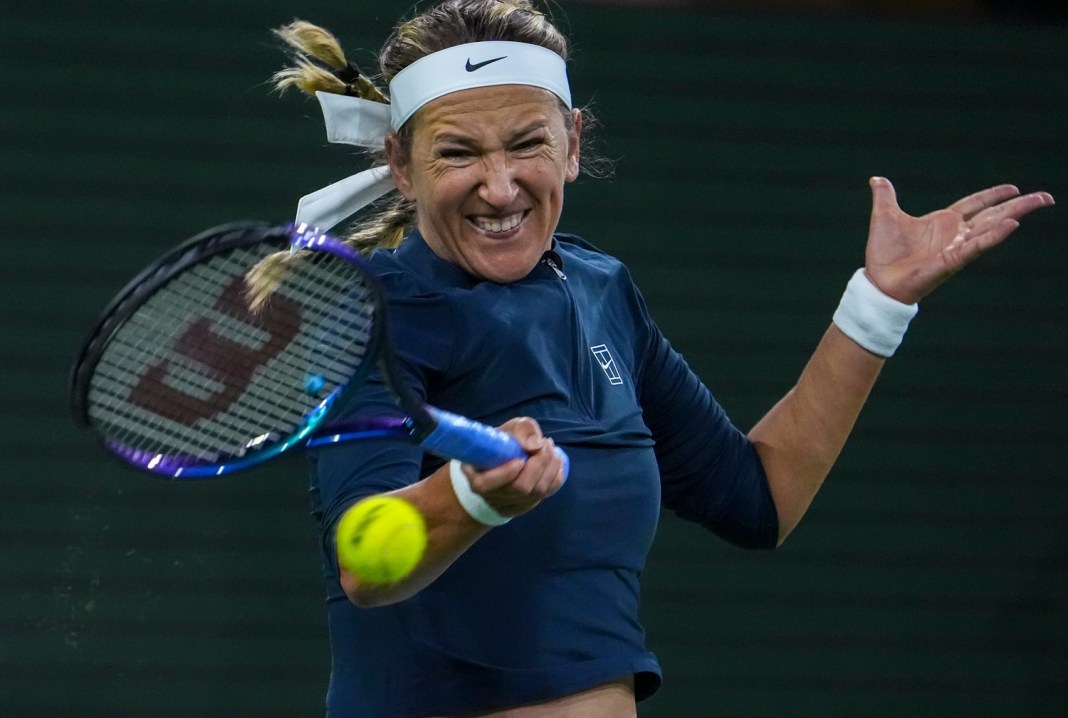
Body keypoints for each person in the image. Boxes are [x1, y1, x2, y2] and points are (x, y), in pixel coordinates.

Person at [261, 2, 1054, 716]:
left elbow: (759, 496)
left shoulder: (600, 287)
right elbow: (365, 561)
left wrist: (879, 302)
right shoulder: (373, 315)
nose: (499, 188)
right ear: (402, 165)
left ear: (572, 144)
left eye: (527, 144)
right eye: (458, 153)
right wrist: (472, 498)